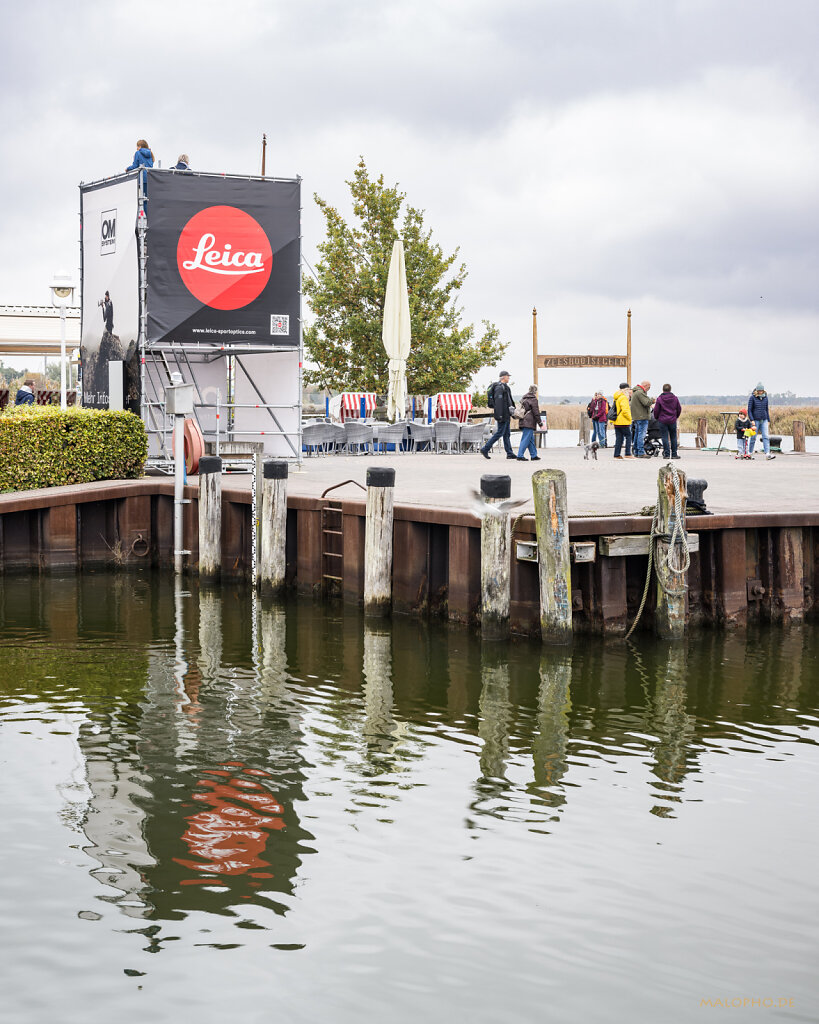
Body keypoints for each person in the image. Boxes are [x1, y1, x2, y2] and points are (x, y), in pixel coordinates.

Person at [480, 370, 517, 460]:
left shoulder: (506, 387)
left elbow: (509, 401)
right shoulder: (499, 388)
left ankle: (509, 453)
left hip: (507, 414)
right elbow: (499, 403)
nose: (509, 378)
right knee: (500, 432)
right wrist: (500, 415)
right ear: (503, 377)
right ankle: (485, 448)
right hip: (502, 414)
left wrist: (513, 411)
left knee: (507, 434)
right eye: (508, 376)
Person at [652, 383, 682, 459]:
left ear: (663, 389)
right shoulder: (675, 398)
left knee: (664, 437)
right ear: (670, 389)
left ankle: (667, 454)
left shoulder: (659, 399)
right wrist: (676, 416)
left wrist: (657, 417)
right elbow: (679, 409)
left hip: (662, 420)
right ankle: (674, 454)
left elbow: (656, 410)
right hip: (672, 420)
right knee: (673, 437)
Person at [747, 383, 775, 460]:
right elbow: (749, 410)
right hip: (755, 420)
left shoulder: (765, 398)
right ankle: (750, 452)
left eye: (761, 390)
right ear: (756, 390)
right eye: (759, 390)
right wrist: (751, 420)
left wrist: (768, 420)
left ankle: (767, 453)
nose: (760, 392)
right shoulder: (752, 398)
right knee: (753, 437)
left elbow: (766, 409)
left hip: (764, 419)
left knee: (765, 436)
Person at [516, 385, 543, 462]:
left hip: (523, 420)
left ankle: (534, 455)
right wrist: (540, 422)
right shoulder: (533, 399)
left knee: (530, 439)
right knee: (525, 439)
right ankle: (520, 455)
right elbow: (536, 412)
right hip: (529, 422)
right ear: (535, 391)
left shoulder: (523, 398)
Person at [126, 139, 155, 203]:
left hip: (142, 179)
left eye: (137, 146)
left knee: (142, 200)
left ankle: (144, 212)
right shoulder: (150, 153)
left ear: (140, 146)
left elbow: (135, 166)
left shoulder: (138, 153)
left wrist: (127, 169)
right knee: (147, 199)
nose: (136, 148)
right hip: (150, 178)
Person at [630, 380, 652, 457]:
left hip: (636, 417)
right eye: (649, 387)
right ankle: (641, 452)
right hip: (642, 416)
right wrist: (652, 400)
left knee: (637, 434)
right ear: (645, 386)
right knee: (641, 435)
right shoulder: (640, 392)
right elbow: (647, 402)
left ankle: (636, 451)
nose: (649, 389)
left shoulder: (635, 392)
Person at [612, 383, 633, 459]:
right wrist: (630, 418)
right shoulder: (623, 398)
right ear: (626, 390)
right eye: (629, 389)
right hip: (623, 420)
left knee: (619, 438)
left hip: (617, 421)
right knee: (629, 436)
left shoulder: (617, 397)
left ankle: (617, 454)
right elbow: (625, 411)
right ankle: (628, 453)